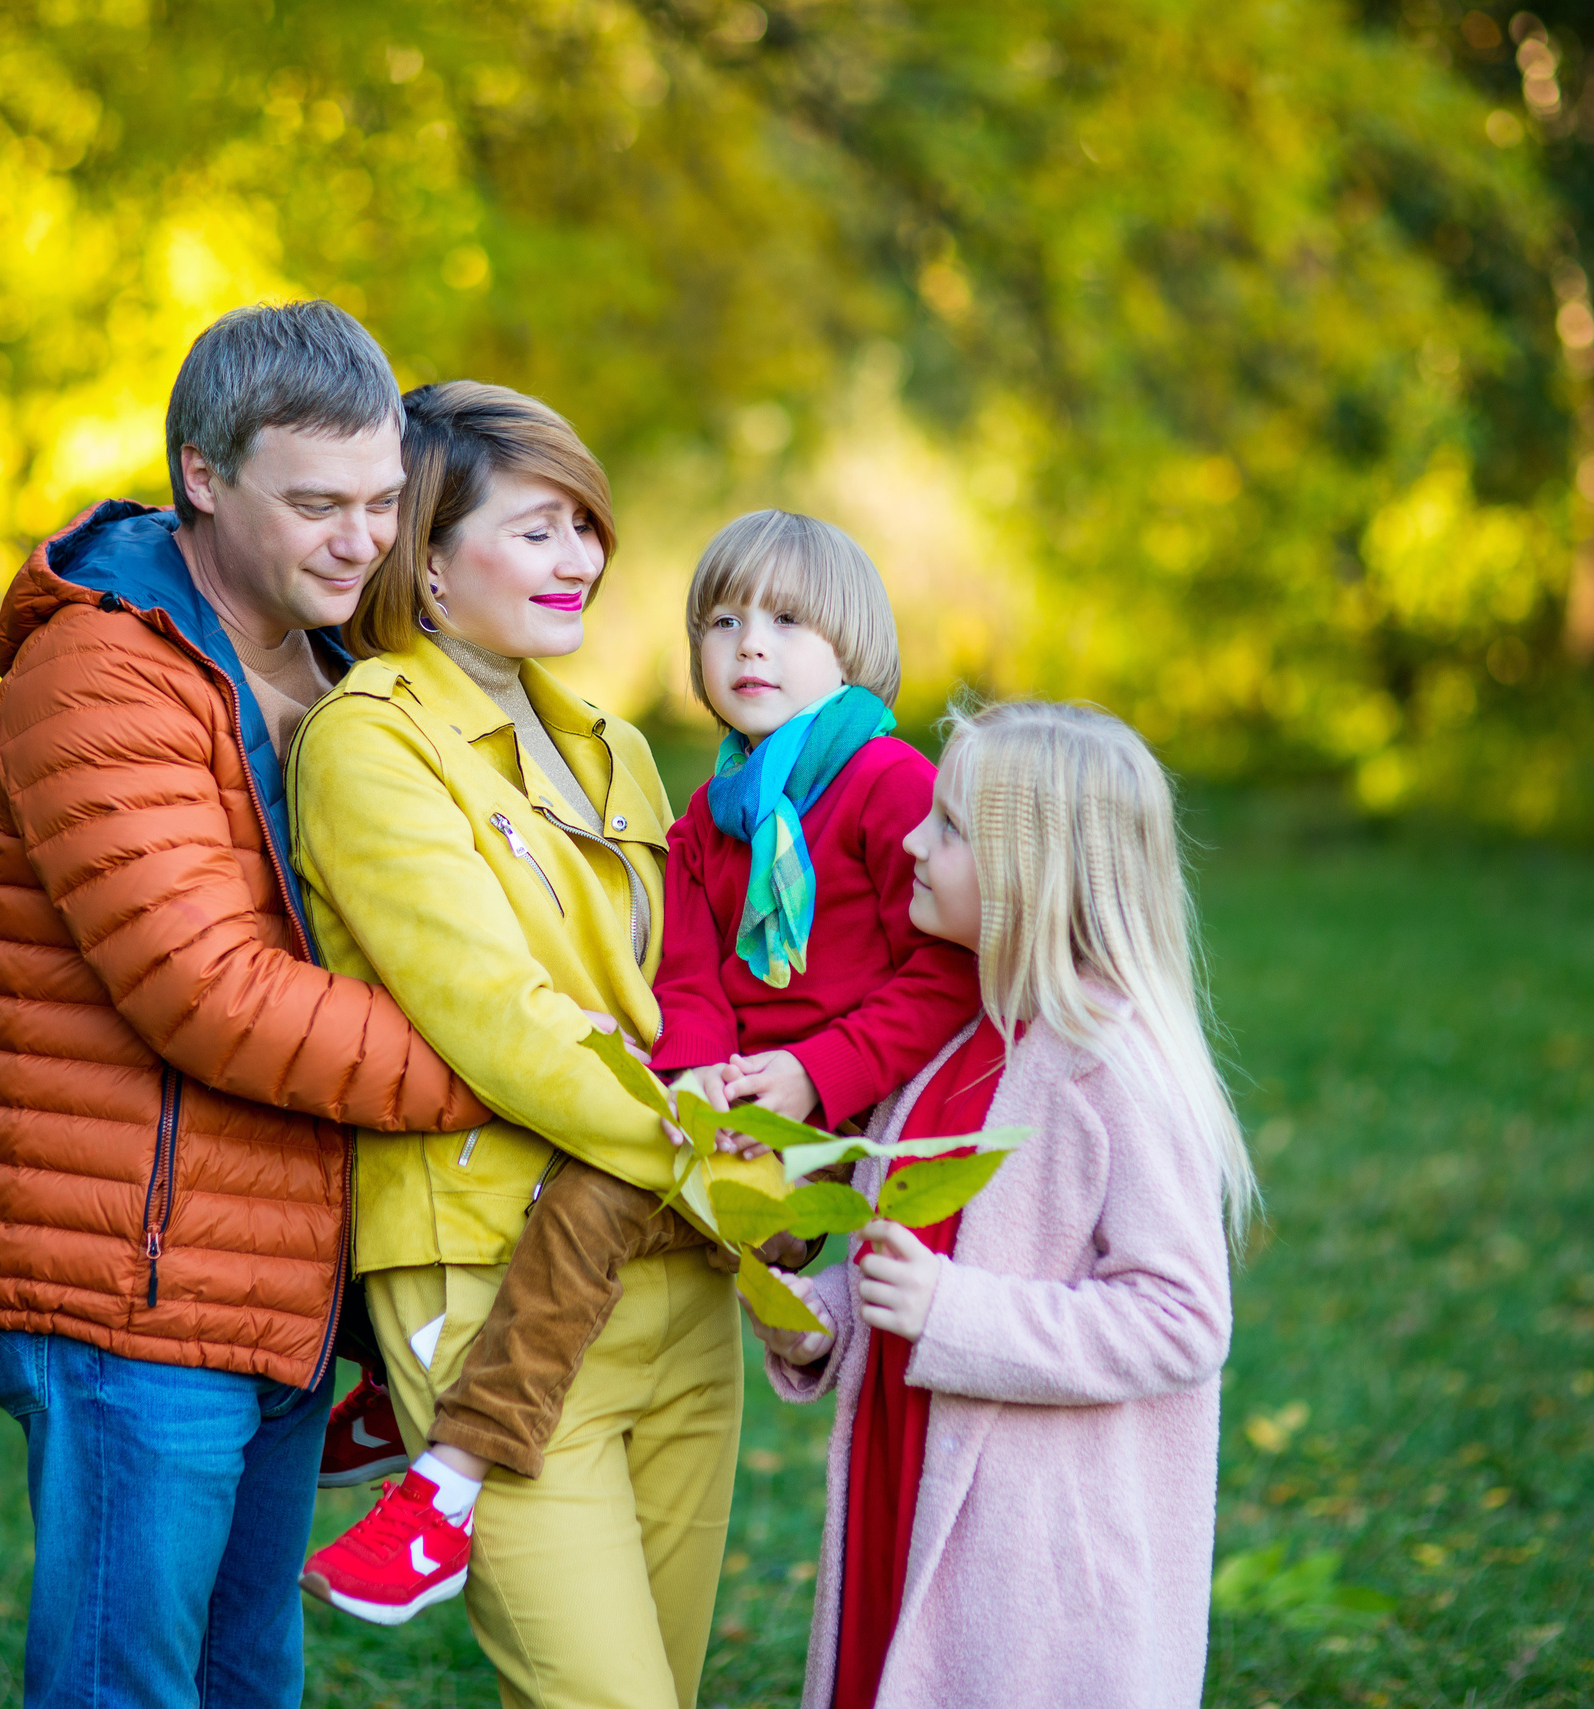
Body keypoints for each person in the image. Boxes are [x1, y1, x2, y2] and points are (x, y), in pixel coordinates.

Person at [0, 301, 488, 1709]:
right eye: (315, 504)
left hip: (280, 1277)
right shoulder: (101, 670)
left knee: (251, 1680)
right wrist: (504, 1069)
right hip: (130, 1272)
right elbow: (213, 994)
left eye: (379, 501)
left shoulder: (351, 674)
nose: (360, 539)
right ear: (202, 473)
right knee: (125, 1687)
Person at [301, 507, 981, 1618]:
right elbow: (691, 977)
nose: (748, 644)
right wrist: (694, 1075)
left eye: (786, 621)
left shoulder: (891, 784)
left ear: (851, 649)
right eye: (722, 619)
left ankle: (444, 1463)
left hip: (846, 1132)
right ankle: (440, 1457)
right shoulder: (712, 815)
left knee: (595, 1195)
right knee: (589, 1199)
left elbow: (945, 974)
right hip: (735, 1114)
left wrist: (815, 1071)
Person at [284, 381, 738, 1709]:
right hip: (490, 1281)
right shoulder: (371, 741)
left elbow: (685, 991)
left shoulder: (619, 749)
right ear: (425, 560)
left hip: (676, 1277)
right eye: (539, 530)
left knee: (673, 1683)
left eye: (586, 527)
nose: (582, 558)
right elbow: (497, 1019)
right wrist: (710, 1149)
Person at [751, 699, 1258, 1709]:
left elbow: (1182, 1318)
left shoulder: (1113, 1068)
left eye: (947, 827)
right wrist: (827, 1319)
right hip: (906, 1485)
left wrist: (952, 1312)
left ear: (1036, 872)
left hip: (1037, 1559)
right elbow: (914, 1256)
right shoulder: (950, 1042)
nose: (909, 841)